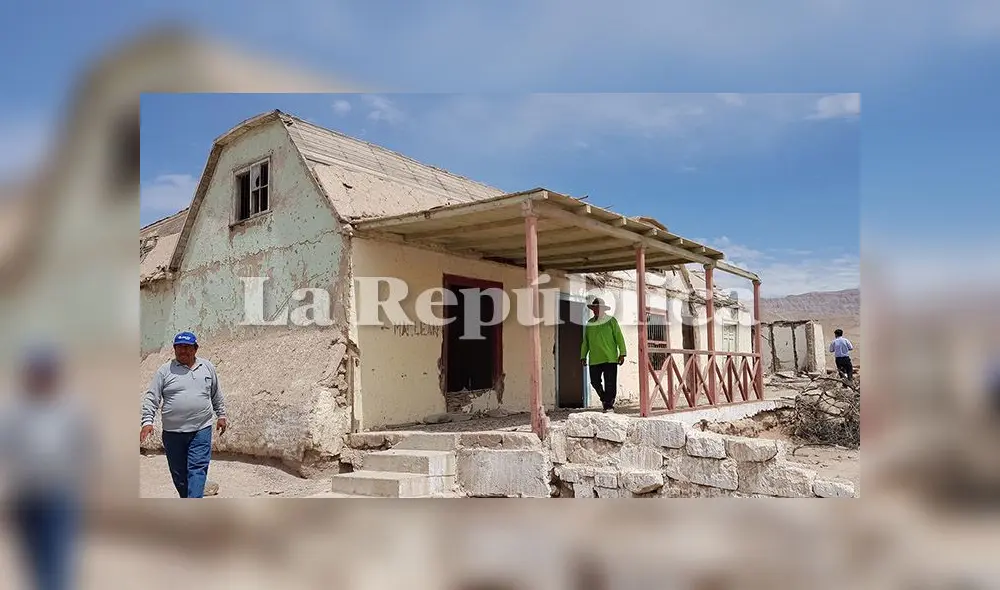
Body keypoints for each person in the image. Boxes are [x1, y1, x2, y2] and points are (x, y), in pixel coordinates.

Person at [0, 346, 92, 590]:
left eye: (45, 371)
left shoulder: (72, 408)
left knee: (58, 560)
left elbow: (87, 448)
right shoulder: (15, 409)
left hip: (59, 495)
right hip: (25, 495)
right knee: (32, 561)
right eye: (36, 371)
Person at [141, 331, 228, 498]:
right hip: (173, 433)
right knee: (179, 475)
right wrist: (147, 422)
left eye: (187, 347)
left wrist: (221, 416)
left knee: (197, 469)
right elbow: (152, 397)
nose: (183, 351)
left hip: (201, 430)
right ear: (174, 349)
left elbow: (216, 394)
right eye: (180, 347)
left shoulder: (207, 367)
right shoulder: (165, 371)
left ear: (195, 349)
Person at [580, 298, 627, 413]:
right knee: (595, 381)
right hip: (595, 359)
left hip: (610, 358)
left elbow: (619, 338)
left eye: (598, 308)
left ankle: (609, 405)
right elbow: (585, 341)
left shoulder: (611, 321)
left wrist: (622, 353)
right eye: (594, 308)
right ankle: (605, 399)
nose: (595, 310)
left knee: (610, 383)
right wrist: (583, 356)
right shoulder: (590, 323)